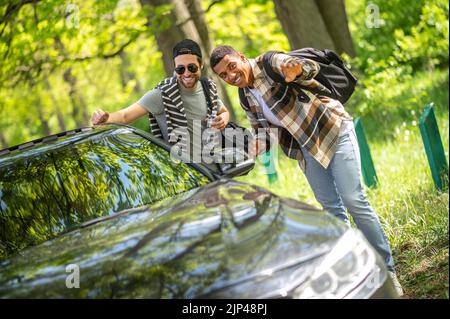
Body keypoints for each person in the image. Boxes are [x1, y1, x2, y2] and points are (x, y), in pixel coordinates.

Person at [210, 45, 404, 296]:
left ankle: (387, 270)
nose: (230, 75)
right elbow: (263, 130)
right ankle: (357, 270)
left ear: (242, 58)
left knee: (354, 200)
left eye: (231, 66)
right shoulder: (245, 96)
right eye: (223, 75)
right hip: (305, 147)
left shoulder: (270, 62)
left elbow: (307, 68)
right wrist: (257, 144)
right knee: (332, 211)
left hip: (332, 130)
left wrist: (298, 69)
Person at [91, 39, 230, 166]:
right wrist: (105, 119)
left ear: (201, 65)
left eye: (192, 67)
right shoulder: (163, 94)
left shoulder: (207, 87)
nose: (186, 73)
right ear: (175, 68)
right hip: (187, 177)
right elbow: (125, 116)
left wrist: (223, 119)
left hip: (216, 170)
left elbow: (223, 111)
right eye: (180, 69)